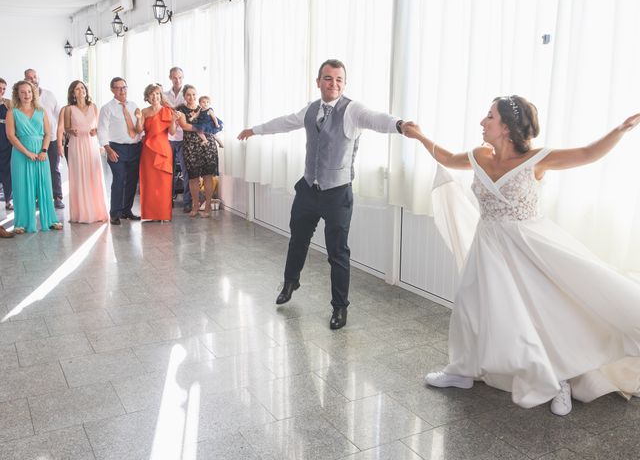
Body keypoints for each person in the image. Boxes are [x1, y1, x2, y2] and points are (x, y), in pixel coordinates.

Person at [402, 95, 640, 416]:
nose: (482, 122)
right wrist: (418, 136)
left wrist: (620, 129)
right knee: (471, 306)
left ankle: (560, 380)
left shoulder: (538, 159)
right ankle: (462, 371)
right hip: (488, 246)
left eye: (489, 117)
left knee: (545, 316)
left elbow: (587, 154)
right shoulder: (479, 157)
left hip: (530, 247)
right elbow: (445, 157)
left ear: (506, 128)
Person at [237, 59, 409, 330]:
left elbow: (375, 119)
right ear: (318, 82)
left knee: (337, 253)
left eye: (339, 79)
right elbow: (285, 122)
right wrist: (254, 130)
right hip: (308, 188)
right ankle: (291, 281)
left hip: (337, 193)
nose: (334, 84)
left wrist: (399, 124)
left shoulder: (352, 111)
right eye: (328, 78)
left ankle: (340, 308)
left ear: (344, 83)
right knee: (298, 240)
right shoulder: (311, 109)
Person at [5, 80, 63, 233]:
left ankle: (50, 220)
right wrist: (27, 152)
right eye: (23, 92)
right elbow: (11, 136)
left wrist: (43, 151)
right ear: (17, 94)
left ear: (33, 93)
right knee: (22, 187)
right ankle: (22, 223)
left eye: (29, 92)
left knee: (44, 186)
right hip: (20, 154)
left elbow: (48, 133)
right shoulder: (12, 112)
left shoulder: (41, 110)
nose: (27, 95)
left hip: (40, 154)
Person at [97, 77, 142, 226]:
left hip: (135, 147)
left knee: (131, 181)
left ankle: (126, 211)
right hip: (116, 149)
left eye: (124, 87)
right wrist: (108, 149)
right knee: (119, 179)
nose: (122, 90)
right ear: (112, 90)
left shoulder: (134, 105)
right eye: (118, 88)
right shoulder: (107, 108)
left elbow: (138, 127)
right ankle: (115, 213)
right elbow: (102, 130)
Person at [63, 80, 108, 223]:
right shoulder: (69, 109)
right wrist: (71, 131)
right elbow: (66, 128)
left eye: (82, 88)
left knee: (93, 175)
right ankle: (81, 213)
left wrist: (96, 131)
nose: (81, 90)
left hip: (91, 144)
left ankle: (97, 212)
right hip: (76, 144)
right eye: (77, 89)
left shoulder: (93, 107)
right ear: (73, 93)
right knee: (79, 176)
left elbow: (100, 127)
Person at [175, 85, 220, 218]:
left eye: (194, 94)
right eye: (188, 94)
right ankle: (195, 205)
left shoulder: (204, 106)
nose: (192, 97)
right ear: (184, 96)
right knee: (193, 177)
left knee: (208, 176)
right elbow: (184, 125)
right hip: (191, 146)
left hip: (208, 145)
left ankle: (207, 206)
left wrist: (208, 128)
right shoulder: (180, 109)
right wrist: (203, 128)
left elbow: (214, 123)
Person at [136, 84, 177, 221]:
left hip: (163, 149)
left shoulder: (167, 111)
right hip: (148, 151)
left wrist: (174, 121)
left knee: (163, 183)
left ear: (161, 96)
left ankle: (163, 214)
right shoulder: (144, 111)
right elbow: (138, 130)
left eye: (157, 94)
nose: (155, 97)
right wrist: (137, 118)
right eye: (152, 94)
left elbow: (172, 132)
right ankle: (150, 214)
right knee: (149, 182)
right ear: (147, 97)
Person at [24, 69, 63, 209]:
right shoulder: (25, 98)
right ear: (25, 79)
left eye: (34, 76)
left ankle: (57, 196)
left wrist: (62, 134)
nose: (32, 79)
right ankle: (36, 198)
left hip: (51, 138)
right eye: (29, 77)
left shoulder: (49, 95)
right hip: (33, 139)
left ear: (38, 78)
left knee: (54, 168)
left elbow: (59, 115)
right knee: (35, 170)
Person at [164, 67, 192, 213]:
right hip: (168, 138)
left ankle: (188, 202)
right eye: (175, 77)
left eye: (180, 77)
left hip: (184, 138)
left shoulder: (187, 94)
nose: (177, 80)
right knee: (169, 172)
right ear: (170, 78)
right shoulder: (164, 95)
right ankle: (168, 201)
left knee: (186, 171)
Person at [0, 78, 15, 238]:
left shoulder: (9, 104)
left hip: (6, 142)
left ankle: (8, 200)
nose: (1, 91)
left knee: (7, 174)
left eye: (4, 88)